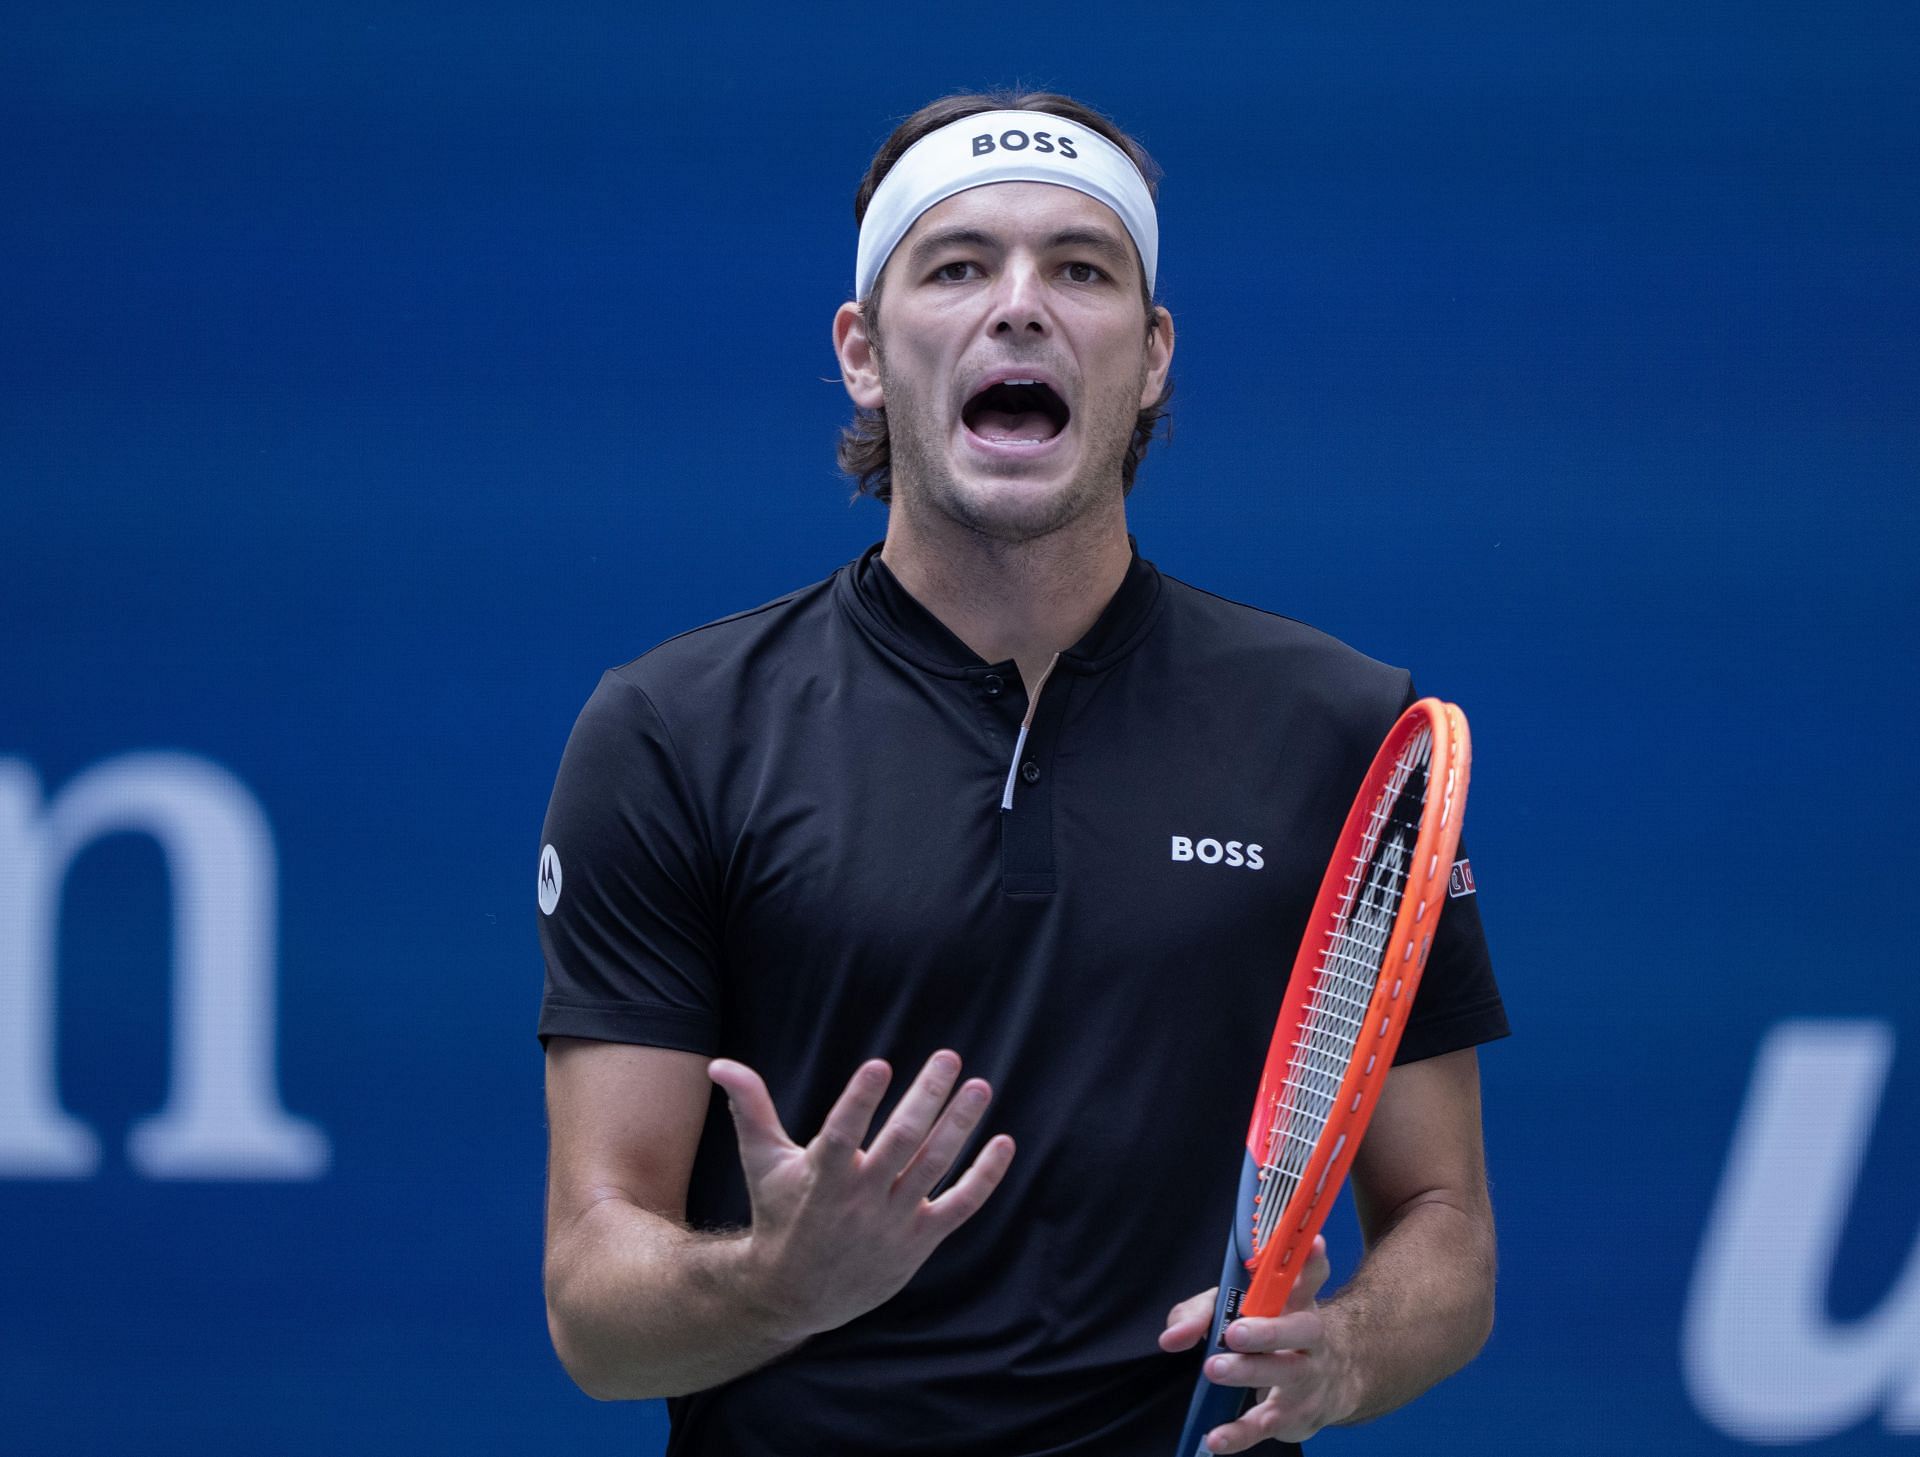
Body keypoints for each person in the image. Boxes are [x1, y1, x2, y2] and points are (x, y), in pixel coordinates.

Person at [536, 90, 1508, 1457]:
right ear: (864, 353)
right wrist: (777, 1279)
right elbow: (592, 1302)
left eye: (1080, 267)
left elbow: (1446, 1228)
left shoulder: (1340, 729)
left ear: (1152, 353)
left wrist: (1346, 1353)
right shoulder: (672, 730)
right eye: (957, 265)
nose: (1020, 305)